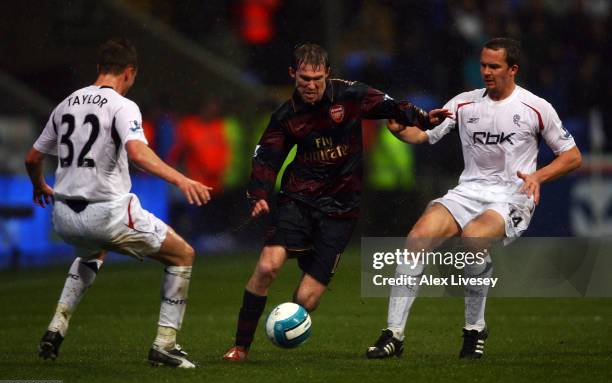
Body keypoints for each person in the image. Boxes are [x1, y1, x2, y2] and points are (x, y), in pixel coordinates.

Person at [222, 43, 450, 361]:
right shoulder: (286, 116)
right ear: (292, 75)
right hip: (298, 200)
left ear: (327, 73)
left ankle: (285, 321)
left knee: (307, 299)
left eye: (317, 78)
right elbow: (266, 158)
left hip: (341, 210)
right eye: (304, 79)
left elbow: (390, 106)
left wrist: (424, 119)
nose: (311, 85)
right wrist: (259, 194)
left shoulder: (351, 95)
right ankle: (240, 346)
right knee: (267, 266)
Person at [366, 37, 582, 360]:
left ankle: (474, 328)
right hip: (467, 192)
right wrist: (399, 130)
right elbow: (425, 135)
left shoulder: (536, 108)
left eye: (494, 66)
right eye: (483, 65)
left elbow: (573, 156)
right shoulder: (464, 104)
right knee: (417, 238)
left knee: (474, 238)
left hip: (512, 197)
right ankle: (393, 334)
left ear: (513, 69)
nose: (486, 72)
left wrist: (538, 176)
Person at [25, 38, 212, 369]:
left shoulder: (66, 104)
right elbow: (138, 153)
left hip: (64, 217)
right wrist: (182, 179)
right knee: (183, 254)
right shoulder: (123, 106)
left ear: (99, 69)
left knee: (93, 251)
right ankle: (165, 346)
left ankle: (56, 327)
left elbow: (32, 157)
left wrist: (40, 184)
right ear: (130, 72)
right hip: (106, 212)